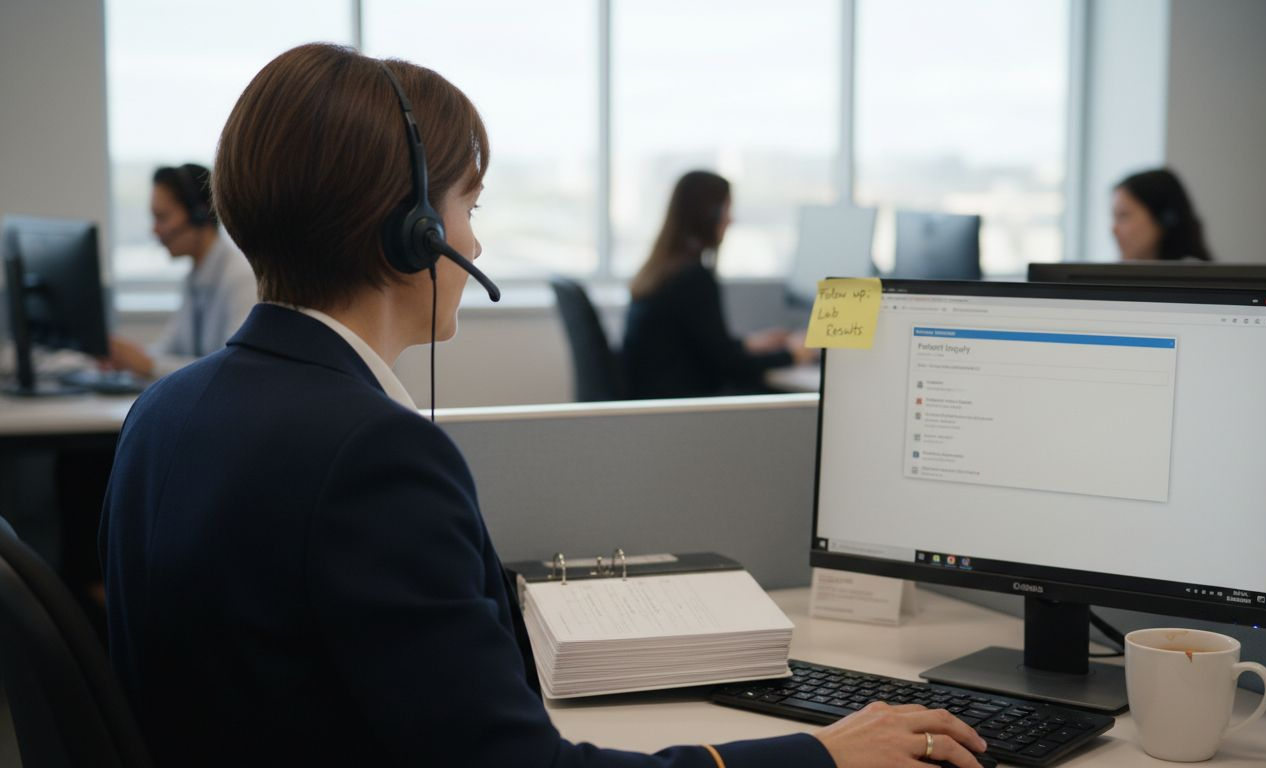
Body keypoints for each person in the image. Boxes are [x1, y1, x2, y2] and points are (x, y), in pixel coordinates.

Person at [99, 43, 987, 768]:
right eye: (467, 204)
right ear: (412, 228)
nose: (475, 238)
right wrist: (818, 755)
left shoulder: (167, 410)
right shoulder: (371, 455)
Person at [622, 171, 813, 400]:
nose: (730, 220)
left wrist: (750, 344)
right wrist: (793, 354)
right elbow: (728, 366)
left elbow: (701, 348)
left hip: (659, 404)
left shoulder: (662, 271)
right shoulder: (692, 278)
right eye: (727, 209)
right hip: (685, 410)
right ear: (709, 214)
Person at [102, 163, 257, 378]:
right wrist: (127, 357)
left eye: (162, 217)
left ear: (199, 214)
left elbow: (231, 369)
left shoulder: (240, 276)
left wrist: (148, 365)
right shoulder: (196, 275)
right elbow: (168, 349)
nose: (154, 230)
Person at [1110, 168, 1214, 262]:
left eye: (1123, 215)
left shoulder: (1192, 278)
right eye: (1114, 217)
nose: (1114, 229)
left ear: (1164, 218)